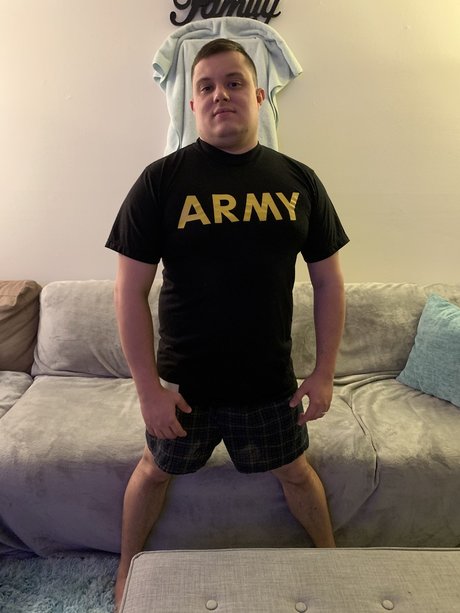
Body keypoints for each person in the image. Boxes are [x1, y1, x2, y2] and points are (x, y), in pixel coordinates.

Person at [106, 38, 349, 607]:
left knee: (295, 471)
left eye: (234, 83)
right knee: (154, 471)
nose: (221, 95)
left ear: (259, 96)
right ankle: (126, 571)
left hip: (268, 382)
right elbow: (128, 292)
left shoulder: (299, 180)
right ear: (192, 104)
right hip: (185, 387)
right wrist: (148, 392)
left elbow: (329, 283)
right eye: (207, 86)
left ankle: (333, 563)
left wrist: (324, 373)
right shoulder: (160, 182)